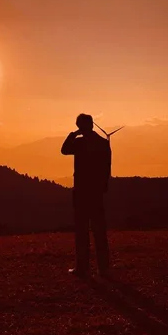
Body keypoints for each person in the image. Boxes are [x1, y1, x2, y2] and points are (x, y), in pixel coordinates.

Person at [61, 113, 111, 277]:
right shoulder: (103, 143)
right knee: (99, 230)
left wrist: (73, 135)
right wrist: (103, 187)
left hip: (82, 190)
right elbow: (106, 168)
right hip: (96, 191)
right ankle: (104, 268)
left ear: (80, 127)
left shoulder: (79, 143)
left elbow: (64, 150)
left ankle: (82, 267)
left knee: (82, 230)